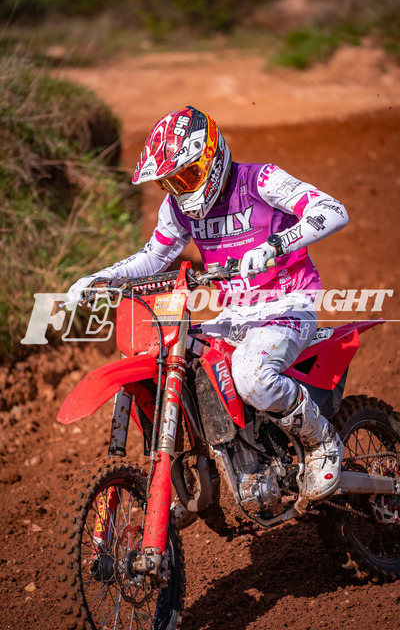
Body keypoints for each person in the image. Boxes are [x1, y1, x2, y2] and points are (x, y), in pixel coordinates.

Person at [68, 105, 348, 503]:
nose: (181, 190)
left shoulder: (260, 180)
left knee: (250, 373)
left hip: (287, 304)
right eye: (170, 183)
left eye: (186, 177)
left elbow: (333, 211)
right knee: (172, 359)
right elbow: (154, 256)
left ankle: (323, 441)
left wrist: (276, 245)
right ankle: (220, 461)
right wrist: (101, 278)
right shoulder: (177, 207)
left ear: (211, 158)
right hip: (235, 314)